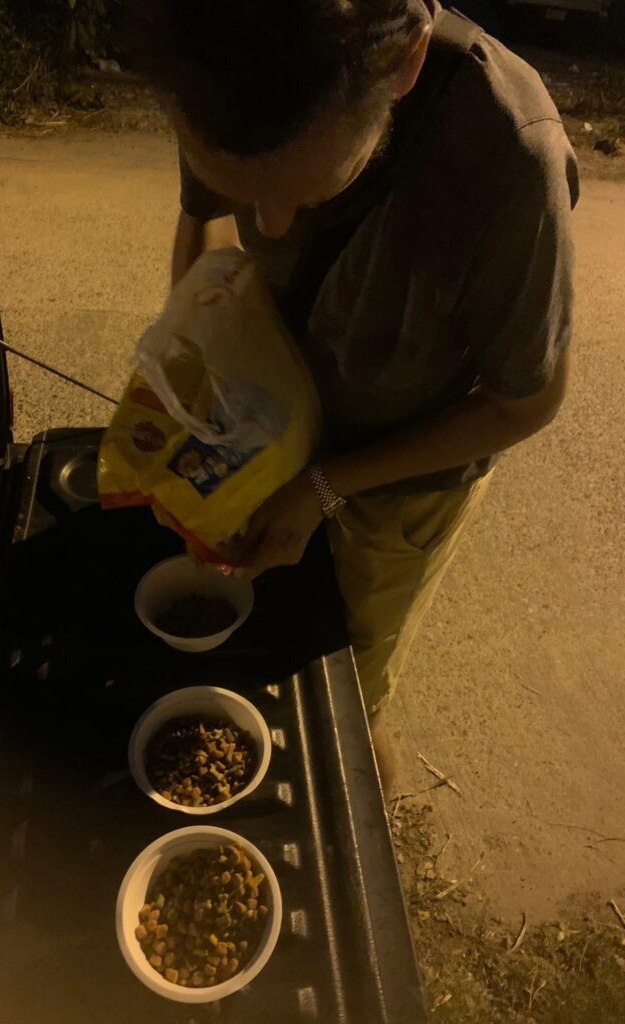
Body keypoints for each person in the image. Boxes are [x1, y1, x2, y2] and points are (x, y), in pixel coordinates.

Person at [126, 0, 578, 791]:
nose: (266, 225)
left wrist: (325, 486)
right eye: (242, 190)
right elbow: (205, 236)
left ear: (404, 63)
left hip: (405, 476)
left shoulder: (509, 156)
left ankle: (371, 819)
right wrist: (205, 398)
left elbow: (527, 400)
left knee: (349, 687)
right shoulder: (219, 55)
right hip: (278, 416)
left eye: (304, 194)